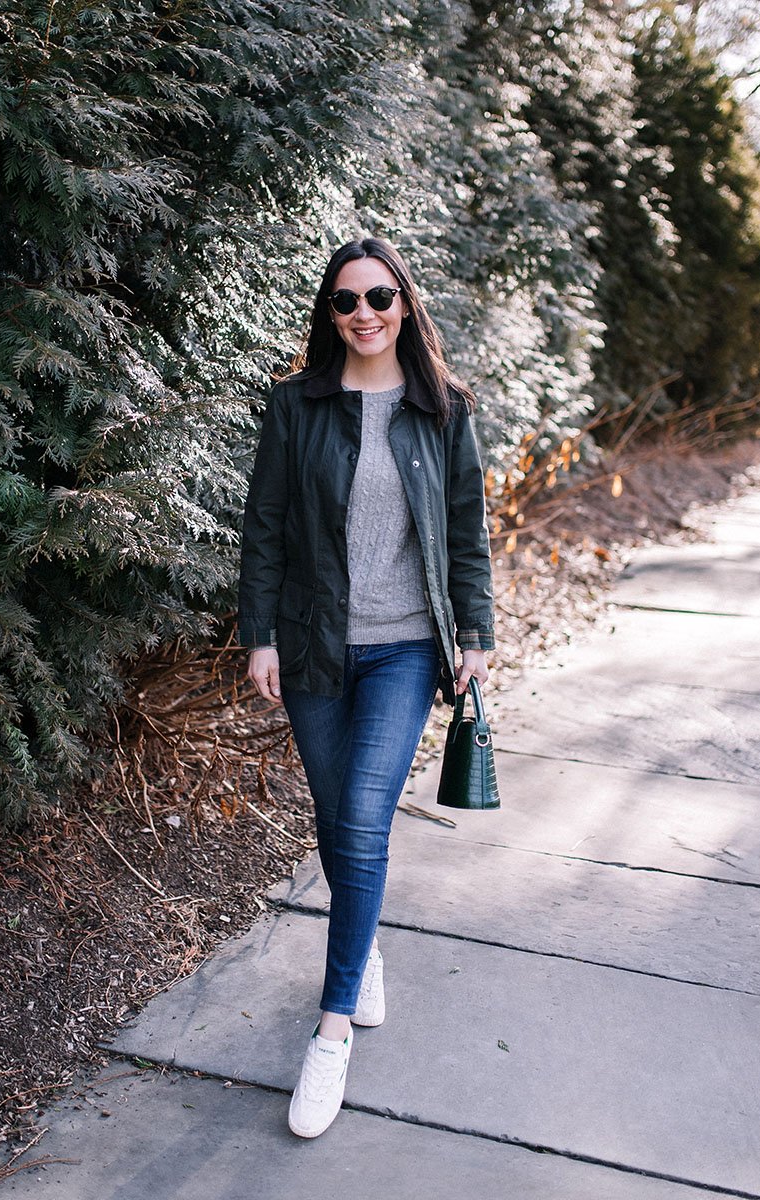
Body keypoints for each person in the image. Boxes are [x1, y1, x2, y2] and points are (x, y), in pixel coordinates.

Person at [237, 236, 494, 1138]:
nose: (365, 314)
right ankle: (364, 946)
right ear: (331, 313)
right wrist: (260, 634)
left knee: (359, 822)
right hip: (314, 647)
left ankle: (332, 1029)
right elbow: (264, 525)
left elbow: (467, 529)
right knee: (337, 816)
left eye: (380, 296)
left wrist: (476, 635)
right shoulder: (296, 404)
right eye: (346, 300)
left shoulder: (445, 407)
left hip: (405, 650)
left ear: (404, 303)